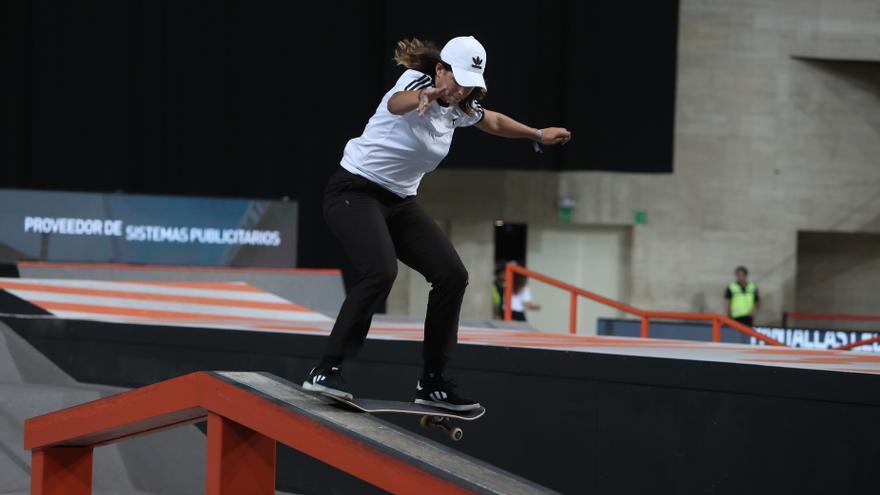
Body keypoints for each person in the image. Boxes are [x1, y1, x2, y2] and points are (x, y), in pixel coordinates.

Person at [302, 36, 571, 411]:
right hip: (354, 191)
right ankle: (326, 369)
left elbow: (490, 120)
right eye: (454, 80)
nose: (459, 90)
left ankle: (433, 382)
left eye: (468, 85)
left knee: (451, 275)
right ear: (440, 69)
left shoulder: (461, 105)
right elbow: (396, 104)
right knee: (380, 272)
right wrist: (423, 97)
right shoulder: (414, 82)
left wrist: (536, 134)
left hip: (400, 202)